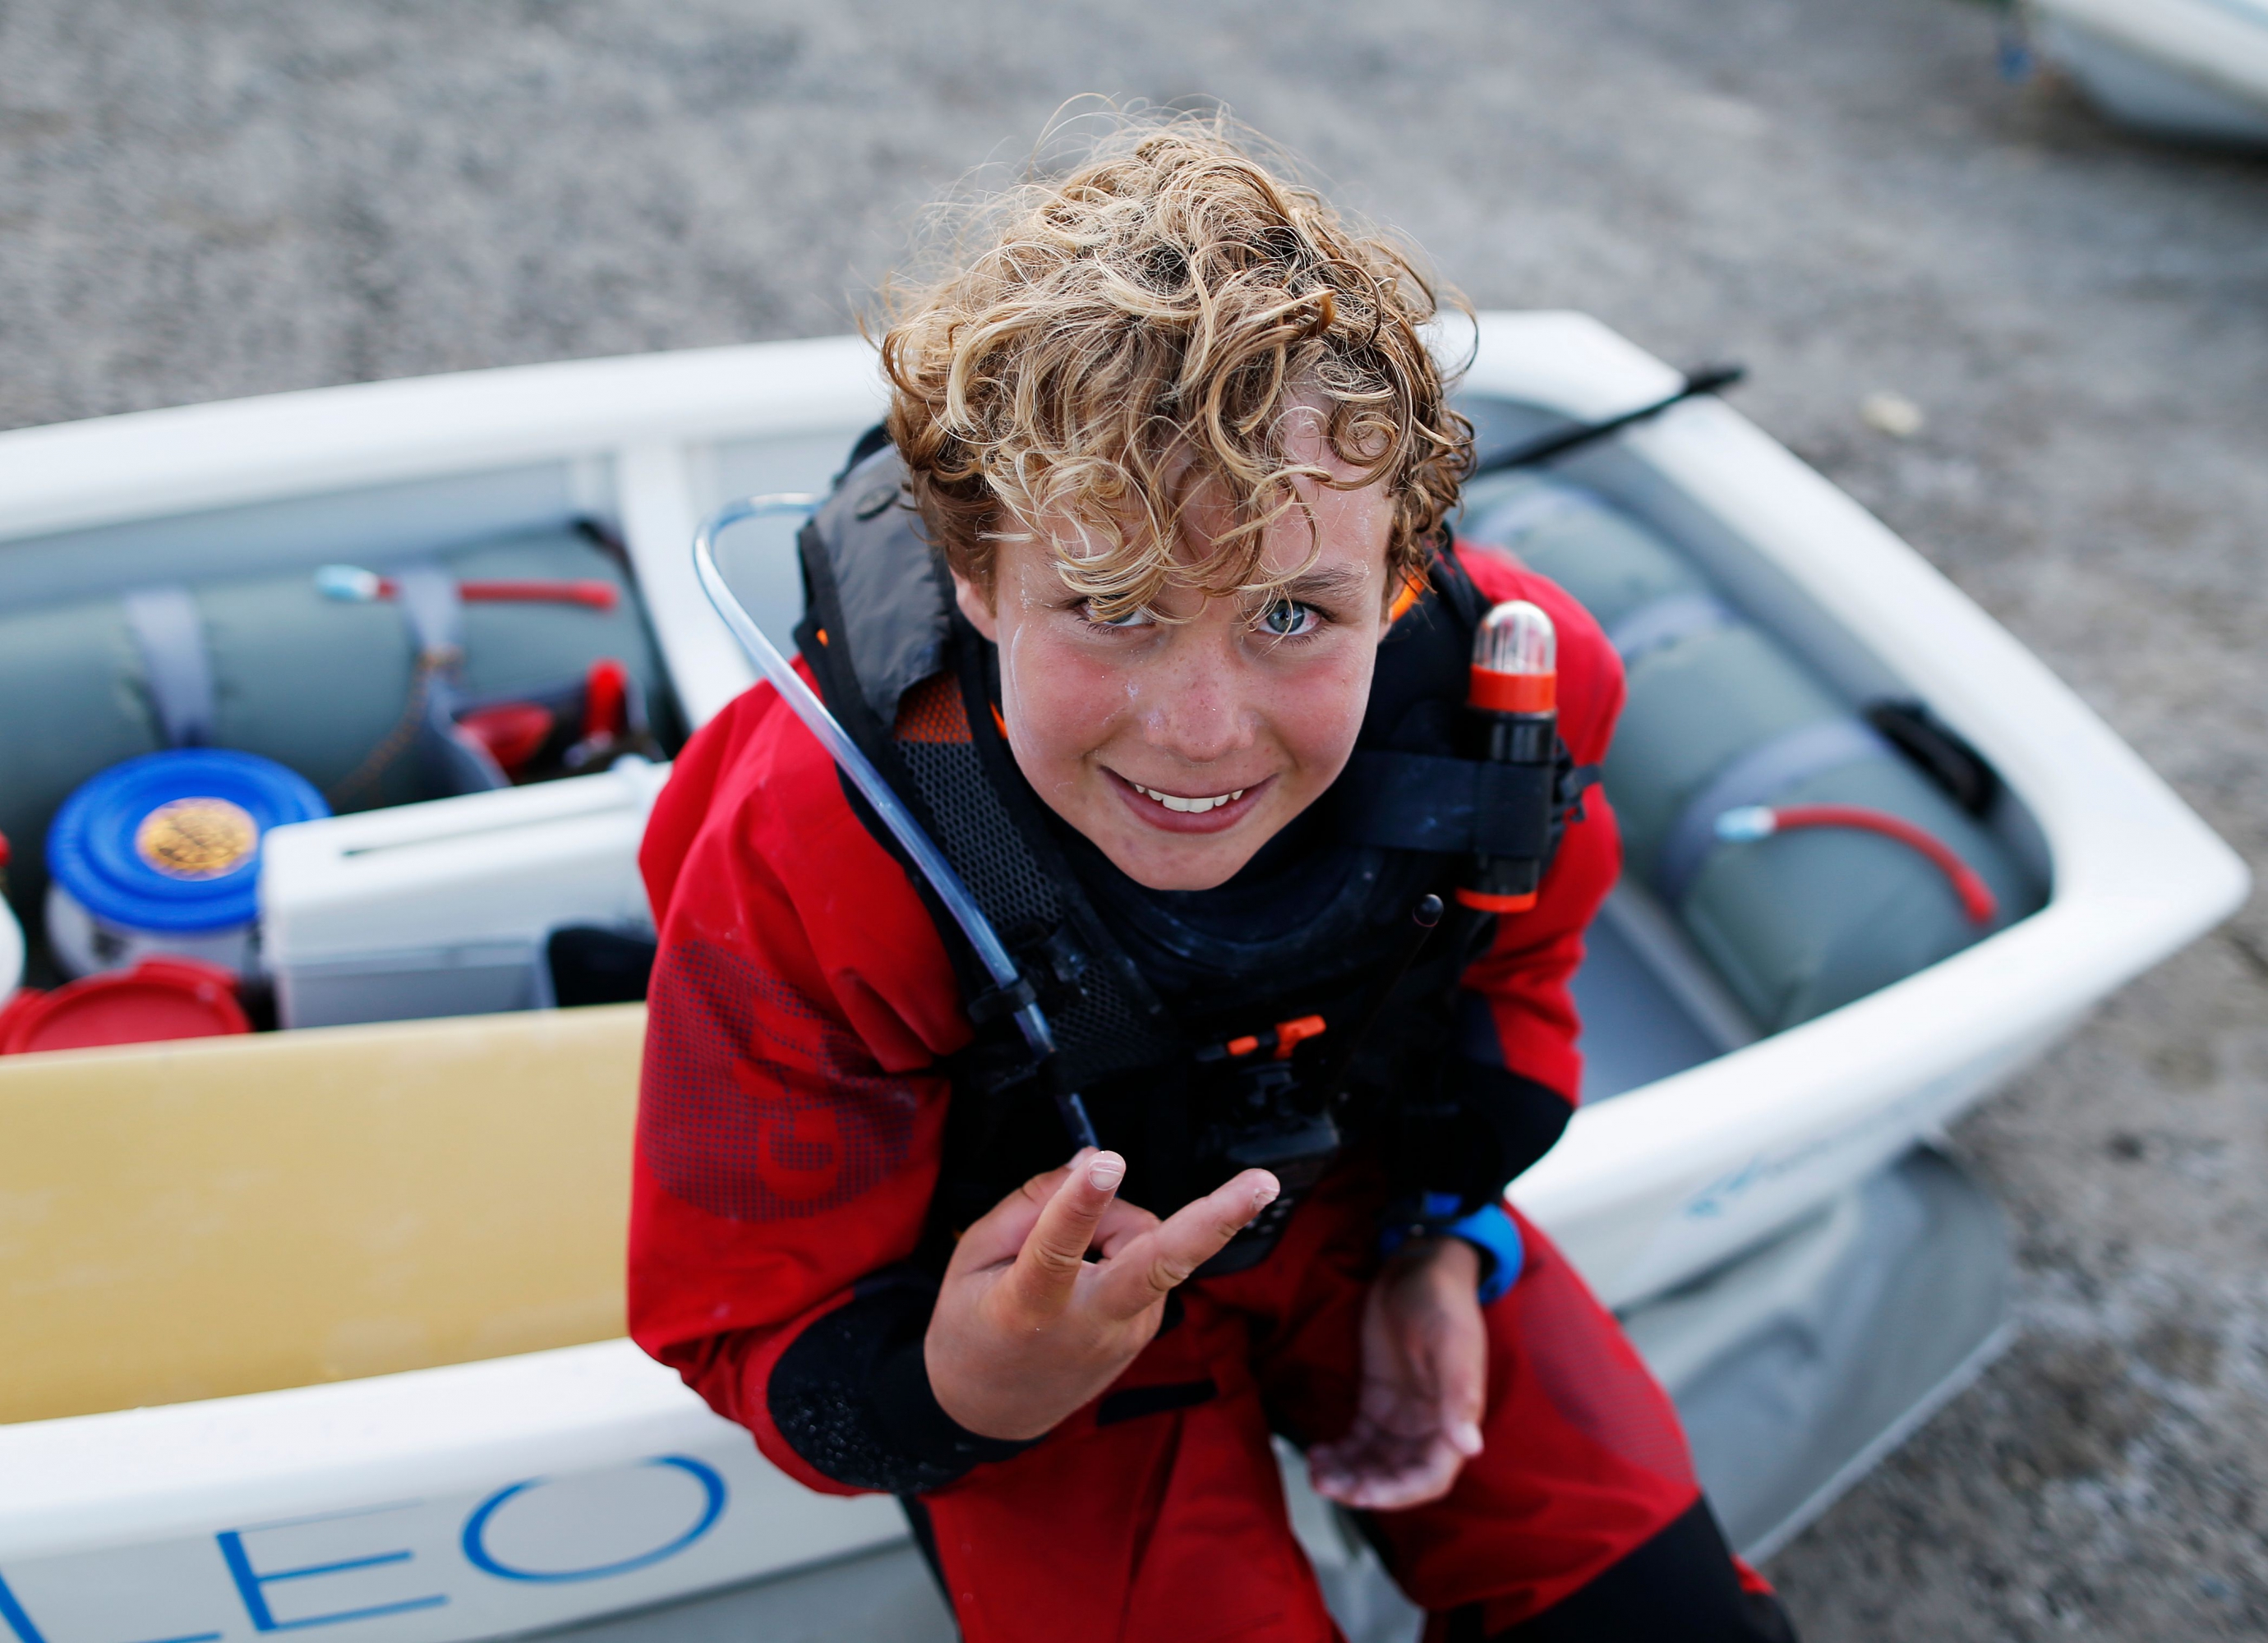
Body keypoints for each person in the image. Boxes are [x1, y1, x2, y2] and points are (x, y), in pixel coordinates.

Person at [629, 117, 1796, 1642]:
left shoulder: (1521, 688)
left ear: (1404, 567)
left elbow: (1512, 971)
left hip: (1367, 1212)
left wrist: (1451, 1236)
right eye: (1112, 606)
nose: (1201, 734)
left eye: (1295, 617)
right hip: (1026, 1296)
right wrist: (975, 1382)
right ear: (975, 576)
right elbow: (749, 1305)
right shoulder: (816, 829)